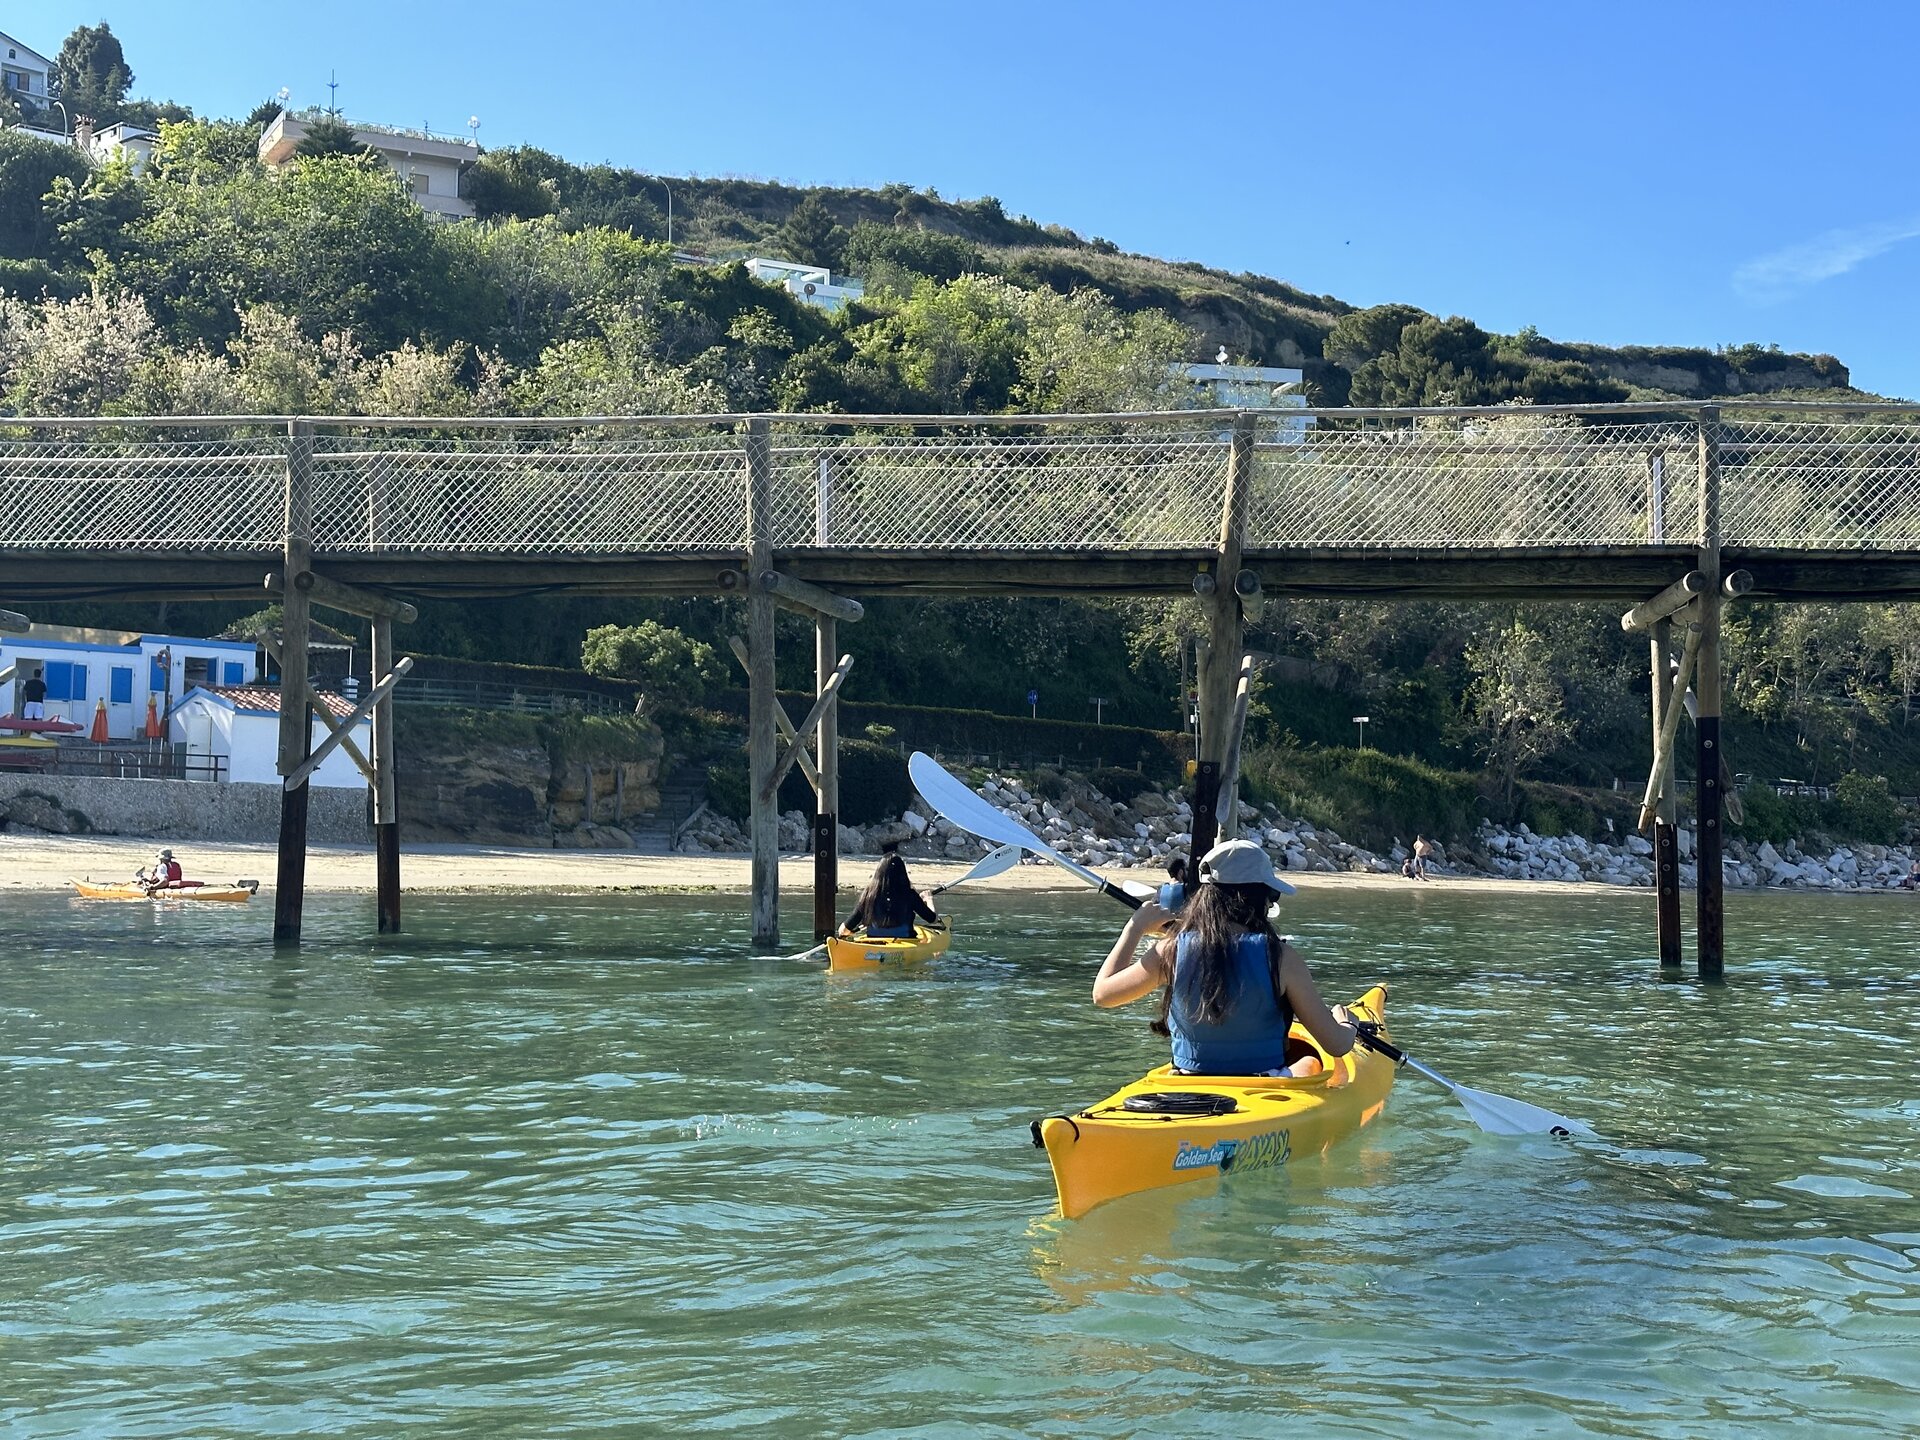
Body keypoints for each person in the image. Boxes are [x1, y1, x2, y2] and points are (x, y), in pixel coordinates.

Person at [1093, 839, 1359, 1078]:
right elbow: (1336, 1045)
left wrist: (1134, 928)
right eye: (1271, 896)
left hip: (1188, 1079)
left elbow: (1103, 995)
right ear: (1258, 898)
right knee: (1308, 1062)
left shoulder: (1170, 950)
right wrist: (1347, 1024)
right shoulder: (1281, 957)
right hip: (1263, 1083)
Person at [840, 845, 939, 939]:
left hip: (874, 943)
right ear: (902, 874)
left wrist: (850, 932)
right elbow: (932, 919)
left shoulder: (869, 895)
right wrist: (928, 899)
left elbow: (843, 931)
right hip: (905, 942)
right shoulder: (909, 894)